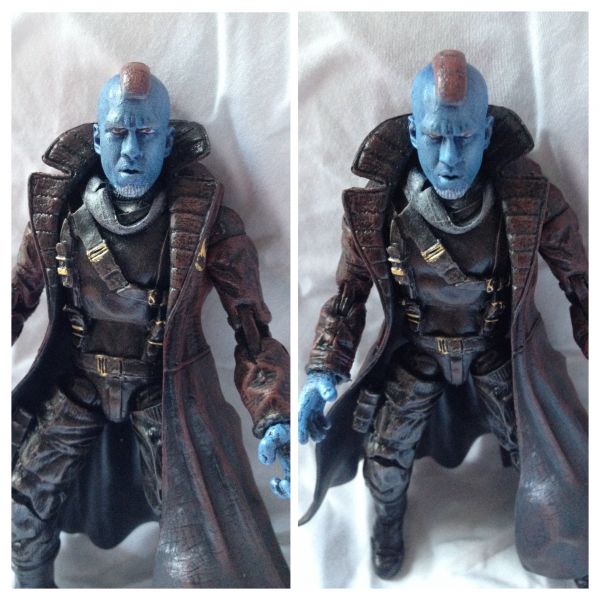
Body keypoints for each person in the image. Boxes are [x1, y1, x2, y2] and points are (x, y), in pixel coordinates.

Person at [299, 50, 587, 586]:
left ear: (486, 133)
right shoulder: (377, 211)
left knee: (542, 454)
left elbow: (580, 282)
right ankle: (388, 524)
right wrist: (321, 371)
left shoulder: (528, 199)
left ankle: (562, 540)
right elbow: (347, 297)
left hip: (497, 352)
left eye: (464, 138)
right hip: (417, 356)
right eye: (435, 138)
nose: (450, 157)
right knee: (384, 459)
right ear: (413, 133)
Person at [12, 62, 290, 588]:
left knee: (189, 522)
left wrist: (273, 414)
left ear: (167, 143)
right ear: (98, 139)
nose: (131, 151)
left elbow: (252, 331)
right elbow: (16, 297)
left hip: (161, 390)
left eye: (146, 134)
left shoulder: (208, 225)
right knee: (24, 504)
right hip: (80, 385)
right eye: (118, 133)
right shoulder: (59, 219)